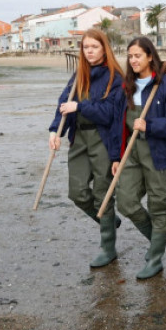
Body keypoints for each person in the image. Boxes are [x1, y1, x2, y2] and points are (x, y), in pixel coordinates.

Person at [48, 28, 125, 268]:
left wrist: (80, 107)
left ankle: (108, 247)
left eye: (94, 47)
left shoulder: (116, 78)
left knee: (104, 194)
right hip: (79, 139)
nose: (89, 51)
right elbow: (64, 103)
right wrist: (55, 131)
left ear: (104, 48)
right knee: (77, 192)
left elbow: (110, 114)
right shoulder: (78, 75)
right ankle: (109, 221)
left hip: (102, 139)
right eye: (86, 47)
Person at [113, 37, 166, 279]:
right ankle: (157, 240)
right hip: (132, 153)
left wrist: (150, 125)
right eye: (130, 56)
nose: (133, 60)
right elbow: (119, 124)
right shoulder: (127, 86)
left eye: (138, 56)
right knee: (125, 202)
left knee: (158, 205)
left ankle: (155, 257)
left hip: (159, 153)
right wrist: (116, 156)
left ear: (150, 57)